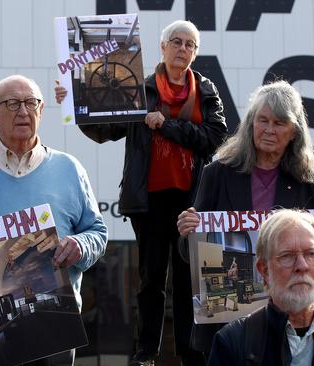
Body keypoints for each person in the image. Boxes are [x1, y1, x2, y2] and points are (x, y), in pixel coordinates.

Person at [56, 20, 227, 365]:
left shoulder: (206, 90)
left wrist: (169, 124)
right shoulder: (140, 88)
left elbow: (216, 138)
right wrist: (75, 104)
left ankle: (189, 353)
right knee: (151, 279)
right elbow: (108, 127)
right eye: (176, 42)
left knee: (189, 280)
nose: (182, 49)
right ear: (162, 47)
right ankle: (145, 354)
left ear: (195, 52)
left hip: (192, 200)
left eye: (189, 44)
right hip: (148, 198)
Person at [0, 75, 107, 366]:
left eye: (30, 103)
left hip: (54, 326)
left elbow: (97, 232)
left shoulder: (70, 169)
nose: (23, 111)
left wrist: (80, 244)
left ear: (41, 110)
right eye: (12, 103)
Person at [176, 80, 314, 357]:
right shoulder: (217, 173)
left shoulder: (312, 180)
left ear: (294, 132)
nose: (269, 130)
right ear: (251, 123)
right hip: (227, 328)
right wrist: (188, 233)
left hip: (293, 325)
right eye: (263, 120)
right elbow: (191, 254)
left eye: (279, 123)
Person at [208, 209, 314, 365]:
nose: (302, 266)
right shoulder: (232, 343)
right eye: (287, 256)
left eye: (311, 254)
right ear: (264, 270)